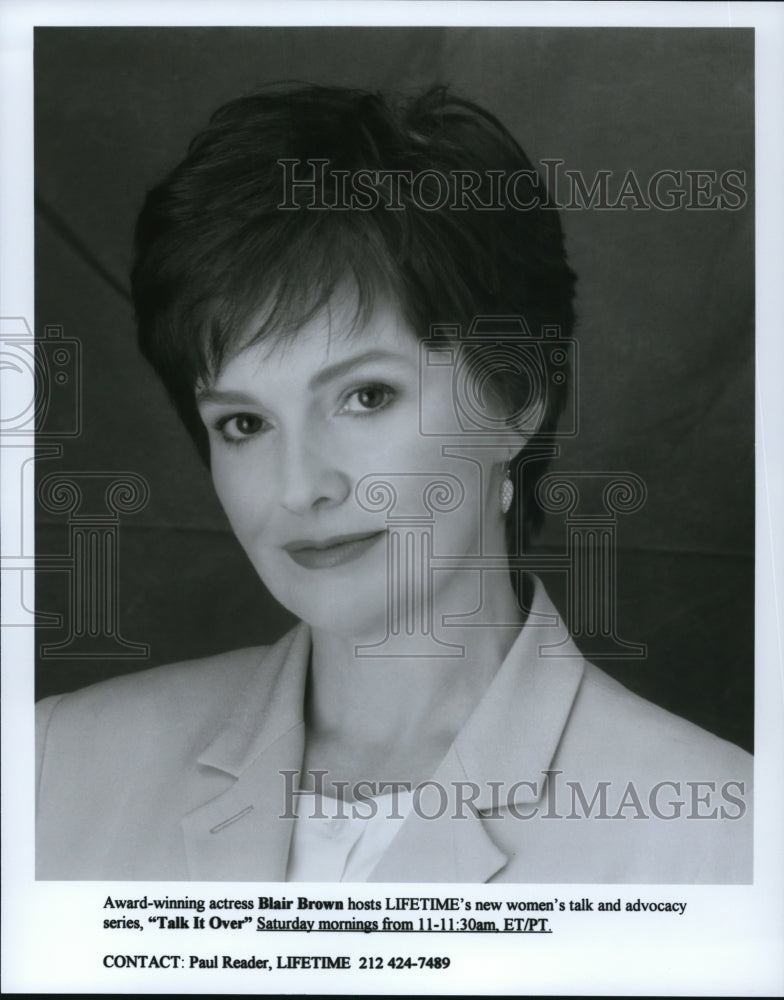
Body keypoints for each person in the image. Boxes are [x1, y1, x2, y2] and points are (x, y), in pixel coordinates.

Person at [35, 84, 752, 882]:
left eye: (366, 396)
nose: (300, 486)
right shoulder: (48, 767)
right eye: (244, 423)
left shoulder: (726, 836)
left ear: (517, 399)